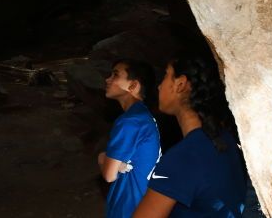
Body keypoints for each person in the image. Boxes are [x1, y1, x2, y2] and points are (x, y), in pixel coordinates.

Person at [133, 52, 247, 217]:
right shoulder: (225, 138)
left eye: (166, 76)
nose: (159, 86)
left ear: (180, 84)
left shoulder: (182, 157)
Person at [99, 59, 161, 218]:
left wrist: (101, 157)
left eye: (115, 75)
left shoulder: (130, 122)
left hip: (128, 207)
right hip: (143, 202)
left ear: (133, 85)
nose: (108, 79)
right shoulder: (143, 116)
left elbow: (109, 174)